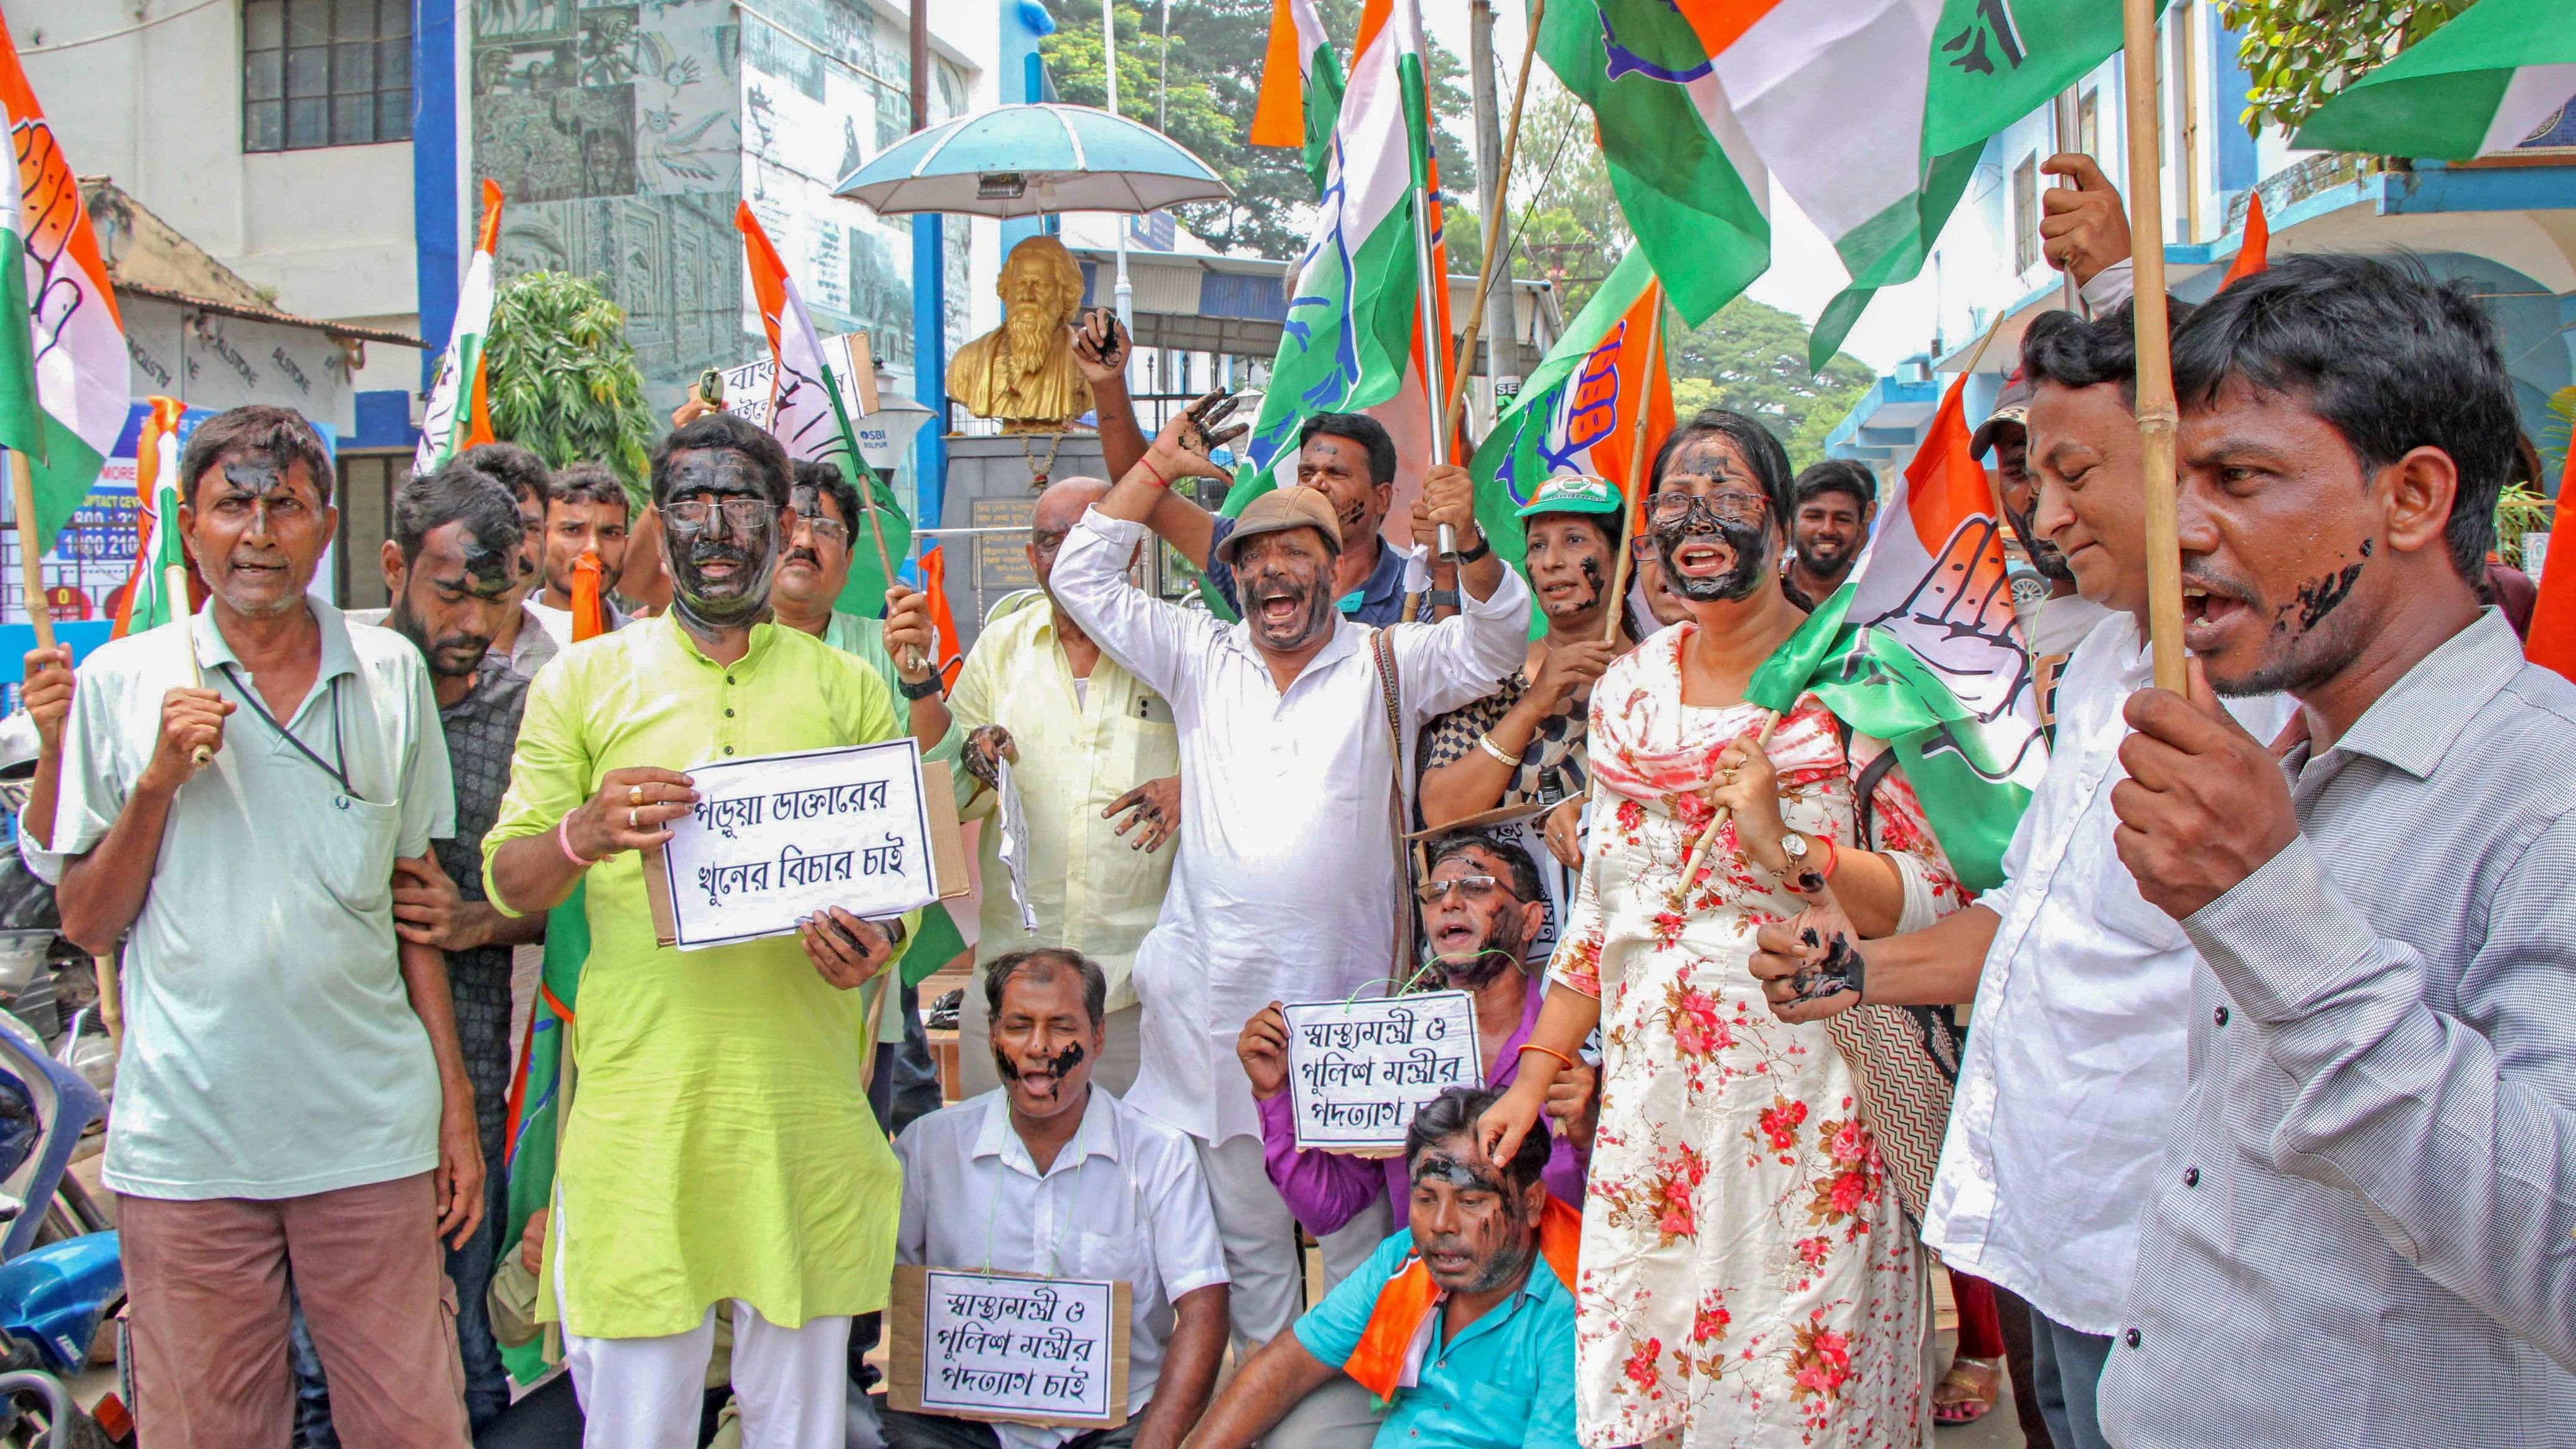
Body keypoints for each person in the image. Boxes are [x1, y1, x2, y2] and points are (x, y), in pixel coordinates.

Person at [1746, 301, 2290, 1449]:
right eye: (2030, 477)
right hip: (2053, 1221)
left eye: (2072, 471)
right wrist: (1854, 969)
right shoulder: (2098, 665)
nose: (2040, 516)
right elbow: (2025, 917)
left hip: (2172, 1258)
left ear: (2177, 449)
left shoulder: (2261, 699)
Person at [2090, 255, 2576, 1443]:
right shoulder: (2284, 763)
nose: (2179, 530)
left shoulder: (2545, 793)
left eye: (2237, 478)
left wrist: (2267, 910)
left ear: (2409, 497)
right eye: (2169, 480)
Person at [1477, 408, 1967, 1447]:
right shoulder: (1626, 694)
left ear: (1783, 525)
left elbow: (1929, 895)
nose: (1696, 516)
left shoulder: (1854, 681)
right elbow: (1608, 910)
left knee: (1796, 1384)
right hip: (1656, 1105)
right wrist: (1531, 1076)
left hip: (1808, 1094)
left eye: (1727, 493)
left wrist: (1783, 843)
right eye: (1672, 501)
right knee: (1652, 1370)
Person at [1046, 410, 1531, 1353]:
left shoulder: (1389, 661)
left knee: (1360, 1254)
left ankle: (1351, 1414)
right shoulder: (1198, 653)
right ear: (1233, 579)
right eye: (1253, 558)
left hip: (1350, 1027)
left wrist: (1466, 540)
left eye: (1294, 555)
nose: (1273, 572)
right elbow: (1079, 574)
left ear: (1334, 569)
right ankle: (1269, 1422)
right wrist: (1154, 466)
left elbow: (1499, 642)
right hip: (1218, 1026)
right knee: (1253, 1259)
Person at [43, 405, 476, 1447]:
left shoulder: (389, 675)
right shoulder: (122, 682)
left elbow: (411, 903)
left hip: (369, 1134)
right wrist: (155, 784)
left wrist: (452, 1104)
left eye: (284, 504)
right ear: (189, 526)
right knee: (207, 1427)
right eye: (232, 503)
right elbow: (87, 919)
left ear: (324, 527)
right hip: (190, 1141)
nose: (258, 531)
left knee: (412, 1419)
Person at [483, 411, 917, 1449]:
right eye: (689, 502)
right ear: (656, 524)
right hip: (643, 1128)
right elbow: (507, 881)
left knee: (801, 1429)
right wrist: (584, 831)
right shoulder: (581, 681)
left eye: (741, 504)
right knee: (635, 1427)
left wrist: (877, 944)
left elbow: (893, 896)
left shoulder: (851, 688)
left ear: (784, 524)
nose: (715, 528)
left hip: (799, 1124)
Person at [376, 461, 561, 1430]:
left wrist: (480, 920)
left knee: (467, 1338)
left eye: (498, 600)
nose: (476, 626)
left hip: (479, 1071)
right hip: (342, 1075)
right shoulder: (344, 693)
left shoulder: (533, 709)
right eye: (452, 593)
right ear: (396, 567)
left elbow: (578, 895)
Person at [886, 948, 1230, 1449]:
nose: (1040, 1047)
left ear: (1097, 1037)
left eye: (1062, 1027)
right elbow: (880, 1283)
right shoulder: (929, 1149)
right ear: (993, 1036)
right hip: (957, 1426)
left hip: (1115, 1428)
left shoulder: (1159, 1154)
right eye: (1020, 1025)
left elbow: (1204, 1309)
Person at [949, 475, 1183, 1098]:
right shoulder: (1000, 651)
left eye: (1087, 538)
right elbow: (948, 791)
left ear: (1128, 547)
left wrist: (1189, 787)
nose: (1069, 558)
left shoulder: (1174, 647)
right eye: (1051, 543)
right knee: (995, 1179)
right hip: (1010, 987)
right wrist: (973, 757)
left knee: (1134, 1183)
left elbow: (1239, 769)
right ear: (1031, 559)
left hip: (1136, 993)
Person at [1241, 830, 1594, 1238]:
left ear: (1531, 920)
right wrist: (1275, 1096)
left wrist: (1588, 1133)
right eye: (1434, 892)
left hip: (1558, 1292)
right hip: (1431, 1293)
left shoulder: (1587, 1044)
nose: (1449, 903)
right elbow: (1326, 1210)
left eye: (1476, 887)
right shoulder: (1392, 1050)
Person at [1188, 1087, 1580, 1449]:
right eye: (1426, 1198)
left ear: (1531, 1204)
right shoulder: (1405, 1259)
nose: (1441, 1224)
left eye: (1471, 1202)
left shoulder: (1576, 1315)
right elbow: (1289, 1363)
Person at [773, 456, 959, 1133]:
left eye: (824, 525)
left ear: (850, 558)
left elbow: (943, 788)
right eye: (789, 520)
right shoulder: (726, 646)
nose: (802, 538)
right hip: (748, 961)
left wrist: (917, 679)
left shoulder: (881, 644)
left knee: (871, 1144)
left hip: (863, 949)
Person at [1416, 474, 1640, 870]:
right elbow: (1441, 812)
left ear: (1623, 560)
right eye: (1538, 545)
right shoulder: (1489, 673)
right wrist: (1533, 705)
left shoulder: (1661, 677)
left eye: (1574, 540)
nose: (1551, 561)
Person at [1127, 405, 1419, 627]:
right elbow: (1146, 498)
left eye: (1336, 473)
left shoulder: (1420, 589)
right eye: (1306, 473)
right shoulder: (1253, 553)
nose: (1316, 484)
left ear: (1381, 498)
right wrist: (1109, 385)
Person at [1974, 372, 2108, 733]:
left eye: (2069, 469)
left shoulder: (2184, 627)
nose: (2042, 498)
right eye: (2020, 471)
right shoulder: (1984, 640)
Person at [458, 440, 563, 678]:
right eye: (500, 529)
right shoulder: (434, 650)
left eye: (530, 528)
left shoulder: (576, 643)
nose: (519, 552)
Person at [525, 461, 633, 647]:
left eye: (610, 533)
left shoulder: (643, 644)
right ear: (542, 539)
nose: (593, 548)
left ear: (626, 545)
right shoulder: (506, 634)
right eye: (573, 530)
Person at [1779, 458, 1876, 611]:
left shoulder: (1879, 600)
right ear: (1791, 524)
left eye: (1842, 519)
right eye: (1814, 517)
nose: (1828, 530)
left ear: (1861, 528)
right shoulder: (1764, 595)